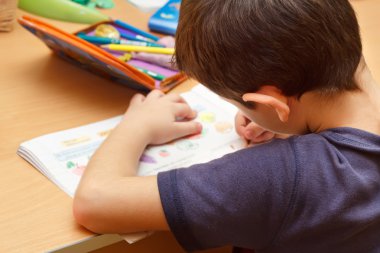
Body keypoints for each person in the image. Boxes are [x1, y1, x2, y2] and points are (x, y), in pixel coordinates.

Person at [73, 0, 380, 252]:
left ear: (273, 103)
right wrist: (287, 123)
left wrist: (136, 124)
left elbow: (95, 202)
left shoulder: (281, 178)